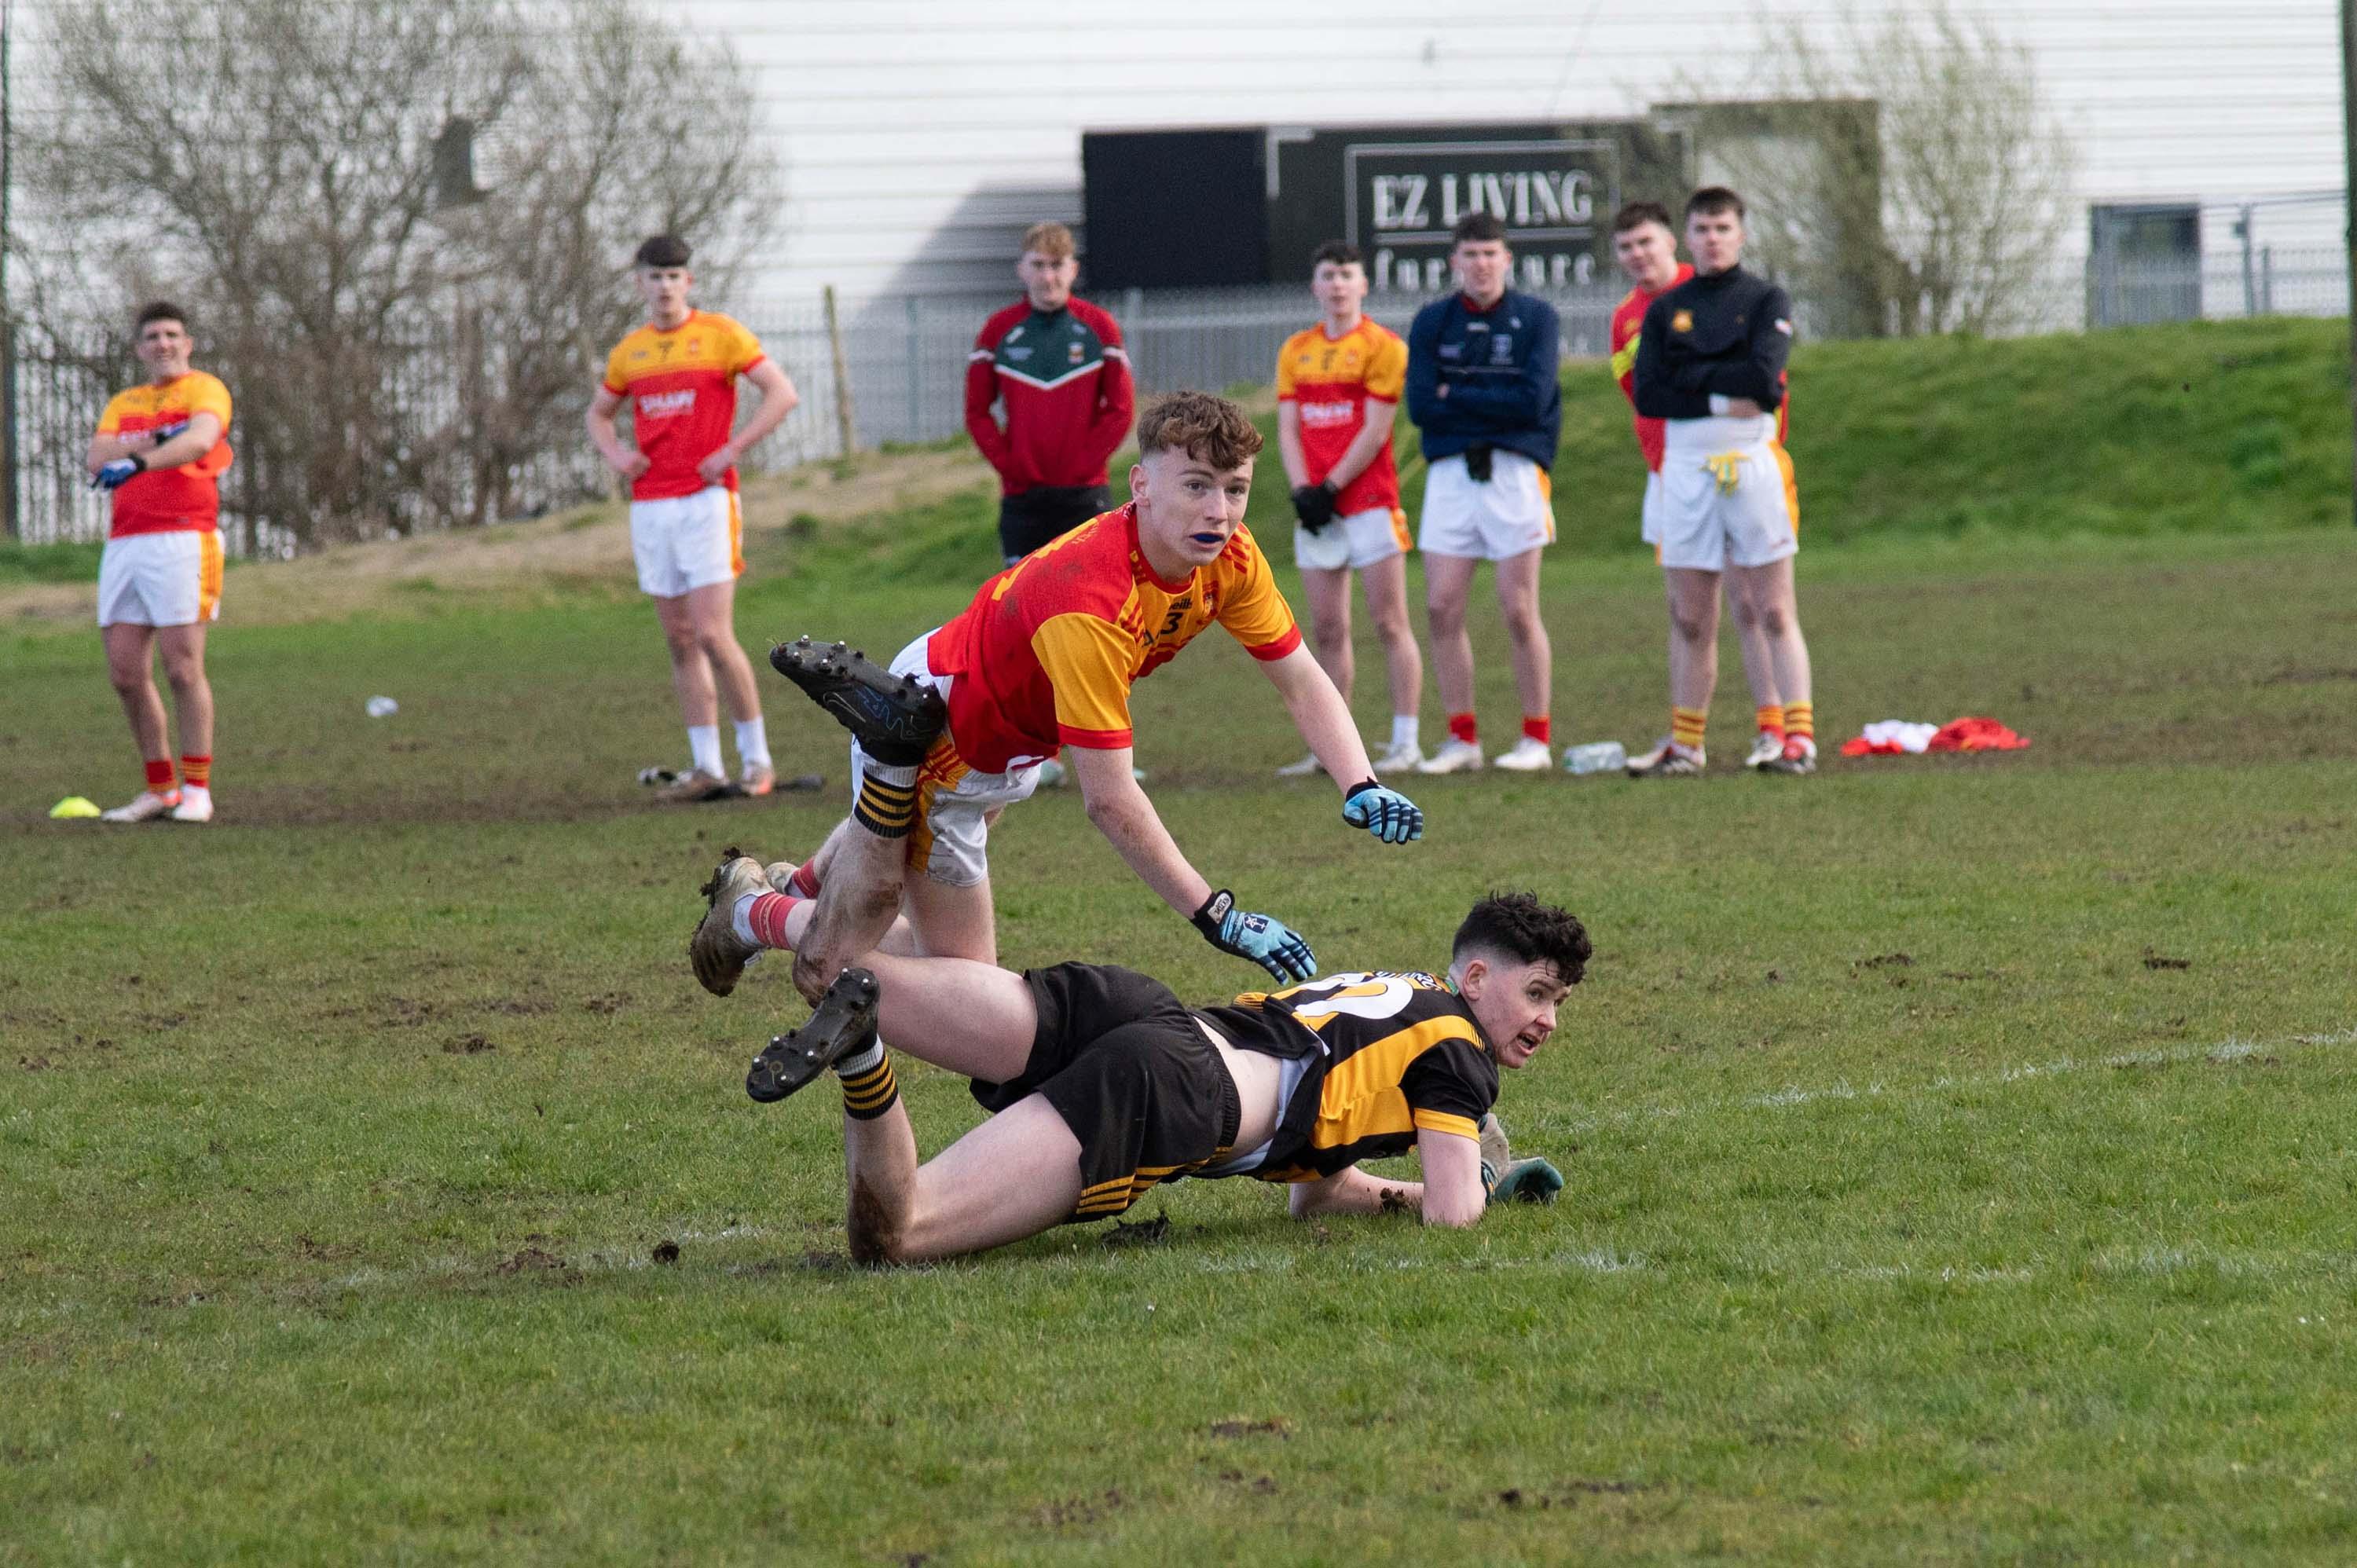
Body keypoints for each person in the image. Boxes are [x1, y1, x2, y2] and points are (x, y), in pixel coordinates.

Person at [691, 391, 1426, 1006]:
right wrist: (1217, 915)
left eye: (1235, 488)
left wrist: (1359, 778)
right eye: (1196, 484)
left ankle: (797, 884)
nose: (1221, 509)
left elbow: (1300, 677)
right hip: (949, 741)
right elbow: (1109, 800)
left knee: (906, 907)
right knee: (966, 986)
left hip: (994, 721)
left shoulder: (1229, 556)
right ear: (1140, 485)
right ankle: (758, 915)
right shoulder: (1092, 602)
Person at [709, 874, 1587, 1262]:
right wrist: (1478, 1171)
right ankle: (862, 1052)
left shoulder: (1406, 993)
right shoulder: (1462, 1056)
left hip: (1144, 1011)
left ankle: (760, 905)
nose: (1546, 1020)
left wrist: (1389, 1190)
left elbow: (1316, 1189)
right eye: (1538, 993)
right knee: (897, 1235)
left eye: (1559, 1004)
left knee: (850, 970)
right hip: (1170, 1088)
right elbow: (1453, 1218)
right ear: (1476, 978)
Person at [587, 234, 807, 804]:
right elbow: (600, 417)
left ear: (689, 282)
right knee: (680, 638)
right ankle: (706, 767)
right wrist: (618, 458)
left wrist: (733, 449)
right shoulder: (629, 352)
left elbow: (782, 394)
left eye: (673, 276)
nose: (664, 287)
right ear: (639, 283)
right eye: (653, 277)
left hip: (707, 503)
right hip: (652, 507)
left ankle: (757, 762)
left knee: (713, 633)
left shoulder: (721, 335)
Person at [1629, 189, 1818, 777]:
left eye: (1723, 227)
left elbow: (1765, 382)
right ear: (1688, 237)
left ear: (1740, 233)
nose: (1713, 238)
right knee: (1691, 615)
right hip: (1685, 469)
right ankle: (1687, 744)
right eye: (1703, 228)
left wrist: (1693, 378)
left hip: (1751, 462)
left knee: (1771, 608)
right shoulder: (1666, 310)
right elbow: (1651, 393)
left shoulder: (1765, 298)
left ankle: (1797, 738)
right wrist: (1716, 391)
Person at [1404, 214, 1563, 775]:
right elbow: (1423, 406)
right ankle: (1461, 738)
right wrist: (1488, 398)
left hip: (1514, 473)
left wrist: (1460, 392)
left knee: (1518, 608)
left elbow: (1533, 401)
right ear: (1455, 262)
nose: (1481, 265)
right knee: (1441, 605)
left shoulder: (1536, 318)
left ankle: (1535, 738)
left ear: (1508, 259)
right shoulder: (1431, 321)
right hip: (1450, 474)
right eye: (1470, 254)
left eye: (1491, 254)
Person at [1271, 240, 1427, 778]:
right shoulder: (1296, 350)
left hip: (1368, 502)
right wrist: (1302, 491)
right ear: (1315, 286)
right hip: (1316, 508)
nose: (1337, 284)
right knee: (1328, 630)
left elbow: (1376, 428)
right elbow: (1289, 427)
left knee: (1389, 622)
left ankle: (1406, 740)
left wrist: (1330, 486)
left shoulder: (1384, 346)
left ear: (1363, 284)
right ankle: (1331, 750)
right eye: (1328, 275)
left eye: (1346, 275)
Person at [86, 302, 234, 824]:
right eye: (152, 336)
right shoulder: (125, 401)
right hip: (127, 542)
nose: (163, 344)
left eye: (172, 334)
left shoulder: (205, 389)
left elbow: (200, 439)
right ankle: (160, 789)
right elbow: (97, 456)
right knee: (126, 672)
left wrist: (138, 458)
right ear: (139, 348)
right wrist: (156, 438)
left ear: (187, 343)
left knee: (182, 666)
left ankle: (197, 789)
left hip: (184, 539)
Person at [966, 221, 1136, 569]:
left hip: (1085, 494)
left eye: (1057, 265)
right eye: (1038, 265)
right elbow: (977, 411)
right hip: (1022, 496)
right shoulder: (998, 330)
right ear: (1022, 270)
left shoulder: (1099, 327)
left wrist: (1084, 465)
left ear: (1073, 270)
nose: (1048, 278)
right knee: (1020, 606)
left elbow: (1120, 409)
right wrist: (1011, 466)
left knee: (1089, 600)